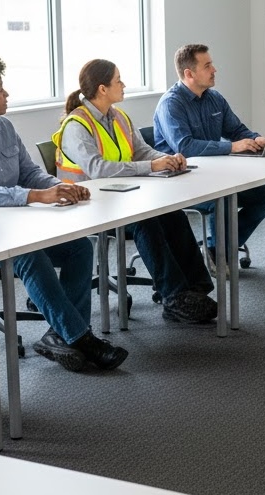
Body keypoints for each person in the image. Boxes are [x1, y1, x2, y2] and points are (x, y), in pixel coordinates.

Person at [0, 50, 127, 373]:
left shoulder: (4, 128)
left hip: (13, 226)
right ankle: (80, 337)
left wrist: (59, 187)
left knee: (79, 247)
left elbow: (29, 172)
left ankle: (59, 336)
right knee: (29, 257)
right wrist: (38, 195)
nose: (6, 94)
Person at [53, 59, 217, 325]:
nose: (124, 84)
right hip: (85, 207)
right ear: (103, 88)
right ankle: (173, 297)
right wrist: (151, 165)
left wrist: (167, 158)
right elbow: (97, 168)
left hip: (119, 198)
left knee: (171, 213)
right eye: (119, 80)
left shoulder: (119, 117)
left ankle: (195, 288)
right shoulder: (76, 126)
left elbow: (141, 151)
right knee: (145, 220)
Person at [153, 43, 265, 264]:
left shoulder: (214, 98)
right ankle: (219, 254)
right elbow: (186, 147)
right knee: (223, 196)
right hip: (180, 180)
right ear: (189, 73)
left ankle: (217, 250)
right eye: (208, 65)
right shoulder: (171, 104)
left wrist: (255, 138)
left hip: (213, 175)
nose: (214, 69)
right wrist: (232, 147)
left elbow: (236, 130)